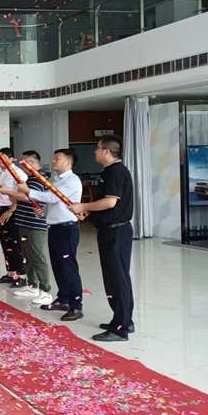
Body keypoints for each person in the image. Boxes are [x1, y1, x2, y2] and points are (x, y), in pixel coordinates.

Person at [71, 135, 135, 342]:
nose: (95, 152)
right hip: (109, 230)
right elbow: (104, 203)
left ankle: (120, 328)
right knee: (114, 277)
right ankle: (123, 319)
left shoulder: (116, 171)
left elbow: (110, 203)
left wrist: (83, 206)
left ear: (107, 151)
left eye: (98, 148)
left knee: (118, 278)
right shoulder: (109, 171)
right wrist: (89, 212)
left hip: (117, 232)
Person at [20, 149, 84, 322]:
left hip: (67, 229)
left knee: (68, 267)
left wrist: (28, 191)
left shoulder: (72, 180)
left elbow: (53, 197)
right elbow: (54, 203)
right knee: (58, 266)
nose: (54, 161)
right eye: (54, 158)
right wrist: (42, 211)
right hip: (55, 227)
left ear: (68, 162)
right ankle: (63, 299)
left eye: (57, 158)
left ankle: (76, 306)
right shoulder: (58, 180)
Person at [0, 151, 53, 306]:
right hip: (24, 222)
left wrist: (9, 192)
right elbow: (19, 196)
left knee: (37, 256)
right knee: (27, 254)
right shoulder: (29, 179)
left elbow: (28, 197)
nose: (24, 165)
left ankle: (45, 291)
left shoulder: (40, 178)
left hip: (35, 224)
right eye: (23, 162)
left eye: (27, 162)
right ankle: (32, 285)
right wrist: (13, 195)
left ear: (34, 163)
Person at [0, 147, 27, 287]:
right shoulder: (1, 173)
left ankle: (21, 275)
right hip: (1, 209)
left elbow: (22, 193)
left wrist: (11, 210)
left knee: (15, 243)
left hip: (12, 210)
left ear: (12, 159)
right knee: (5, 242)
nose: (0, 162)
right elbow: (1, 191)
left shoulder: (17, 172)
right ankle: (11, 273)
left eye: (3, 159)